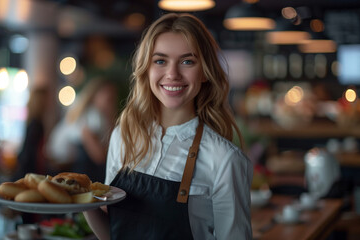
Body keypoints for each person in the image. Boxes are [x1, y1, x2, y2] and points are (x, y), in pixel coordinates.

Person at [84, 13, 253, 240]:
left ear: (204, 72)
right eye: (160, 61)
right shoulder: (123, 137)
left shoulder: (224, 159)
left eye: (187, 61)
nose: (172, 74)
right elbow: (114, 233)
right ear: (147, 69)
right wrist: (82, 201)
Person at [47, 78, 118, 182]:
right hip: (63, 167)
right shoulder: (93, 115)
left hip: (59, 163)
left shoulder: (91, 114)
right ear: (95, 96)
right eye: (109, 99)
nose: (112, 103)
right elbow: (99, 157)